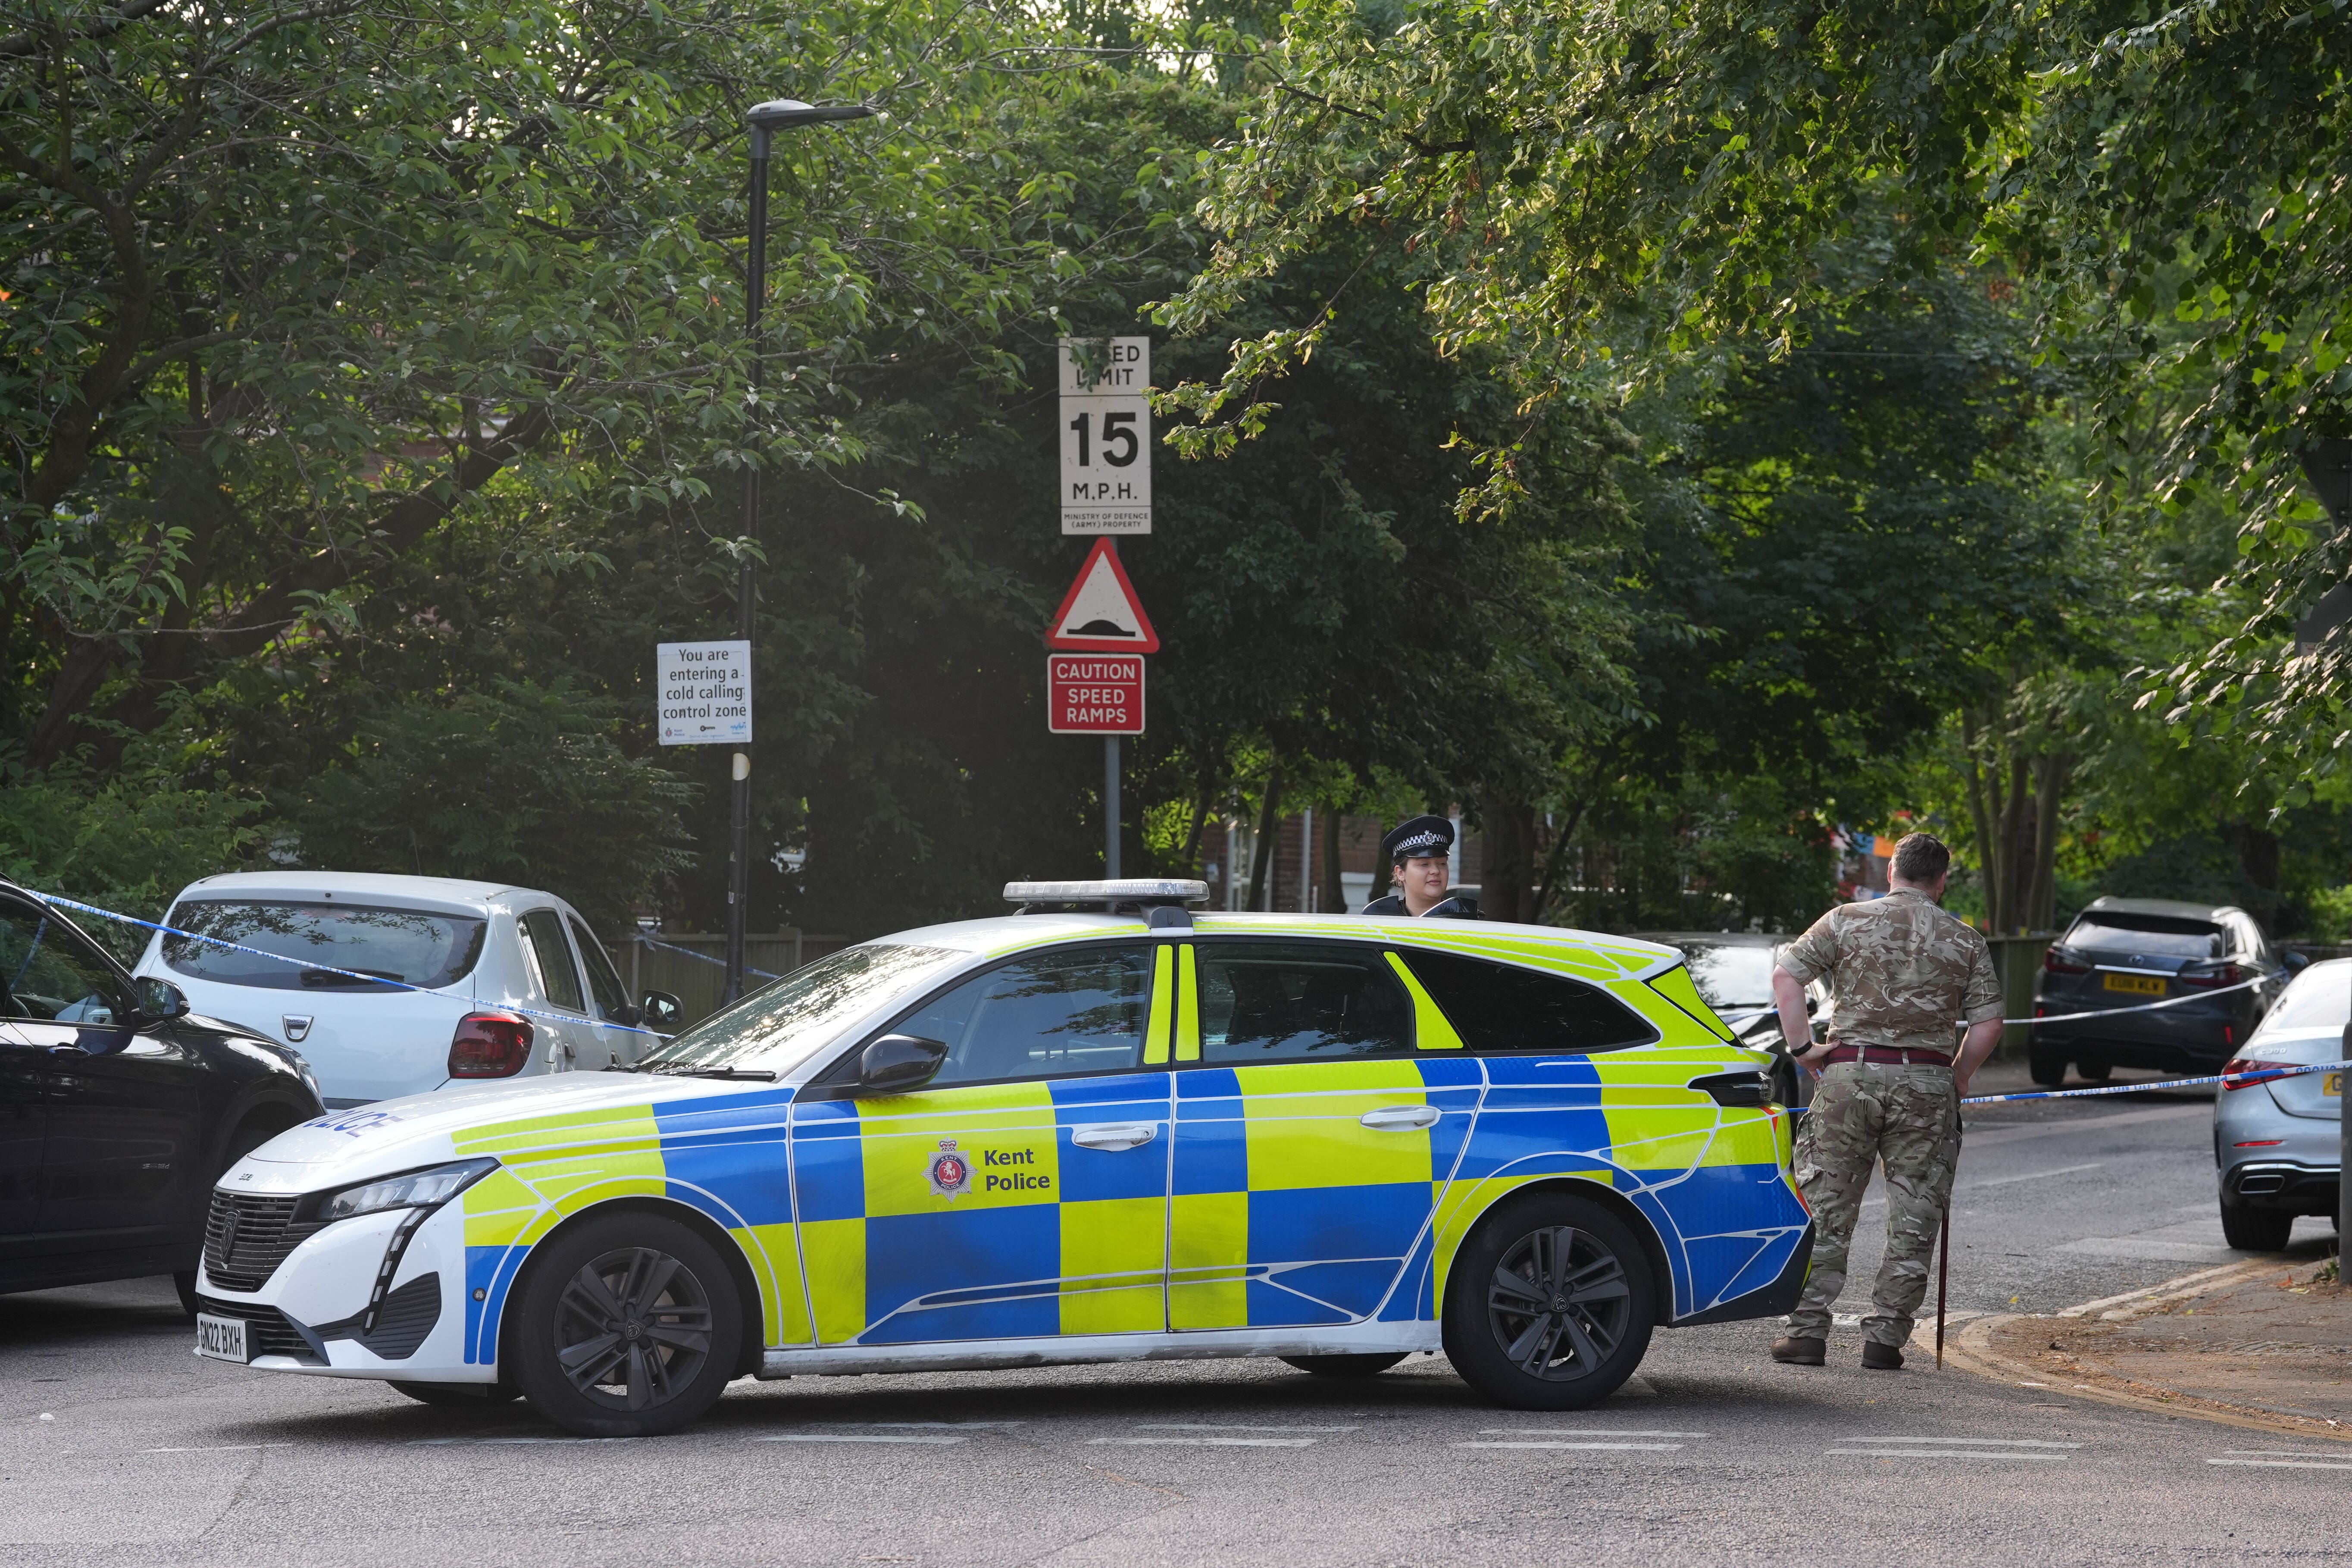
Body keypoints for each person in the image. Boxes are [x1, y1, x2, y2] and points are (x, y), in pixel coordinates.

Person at [1767, 831, 2004, 1370]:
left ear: (1891, 870)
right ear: (1941, 880)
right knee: (1915, 1211)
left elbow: (1786, 977)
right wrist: (1960, 1073)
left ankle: (1805, 1332)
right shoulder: (1965, 940)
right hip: (1925, 1083)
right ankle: (1884, 1340)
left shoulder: (1843, 920)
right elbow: (1988, 1023)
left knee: (1825, 1205)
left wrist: (1804, 1049)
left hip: (1848, 1076)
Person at [1360, 816, 1480, 918]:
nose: (1436, 871)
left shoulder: (1466, 923)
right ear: (1400, 873)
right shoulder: (1380, 922)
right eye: (1424, 864)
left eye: (1442, 864)